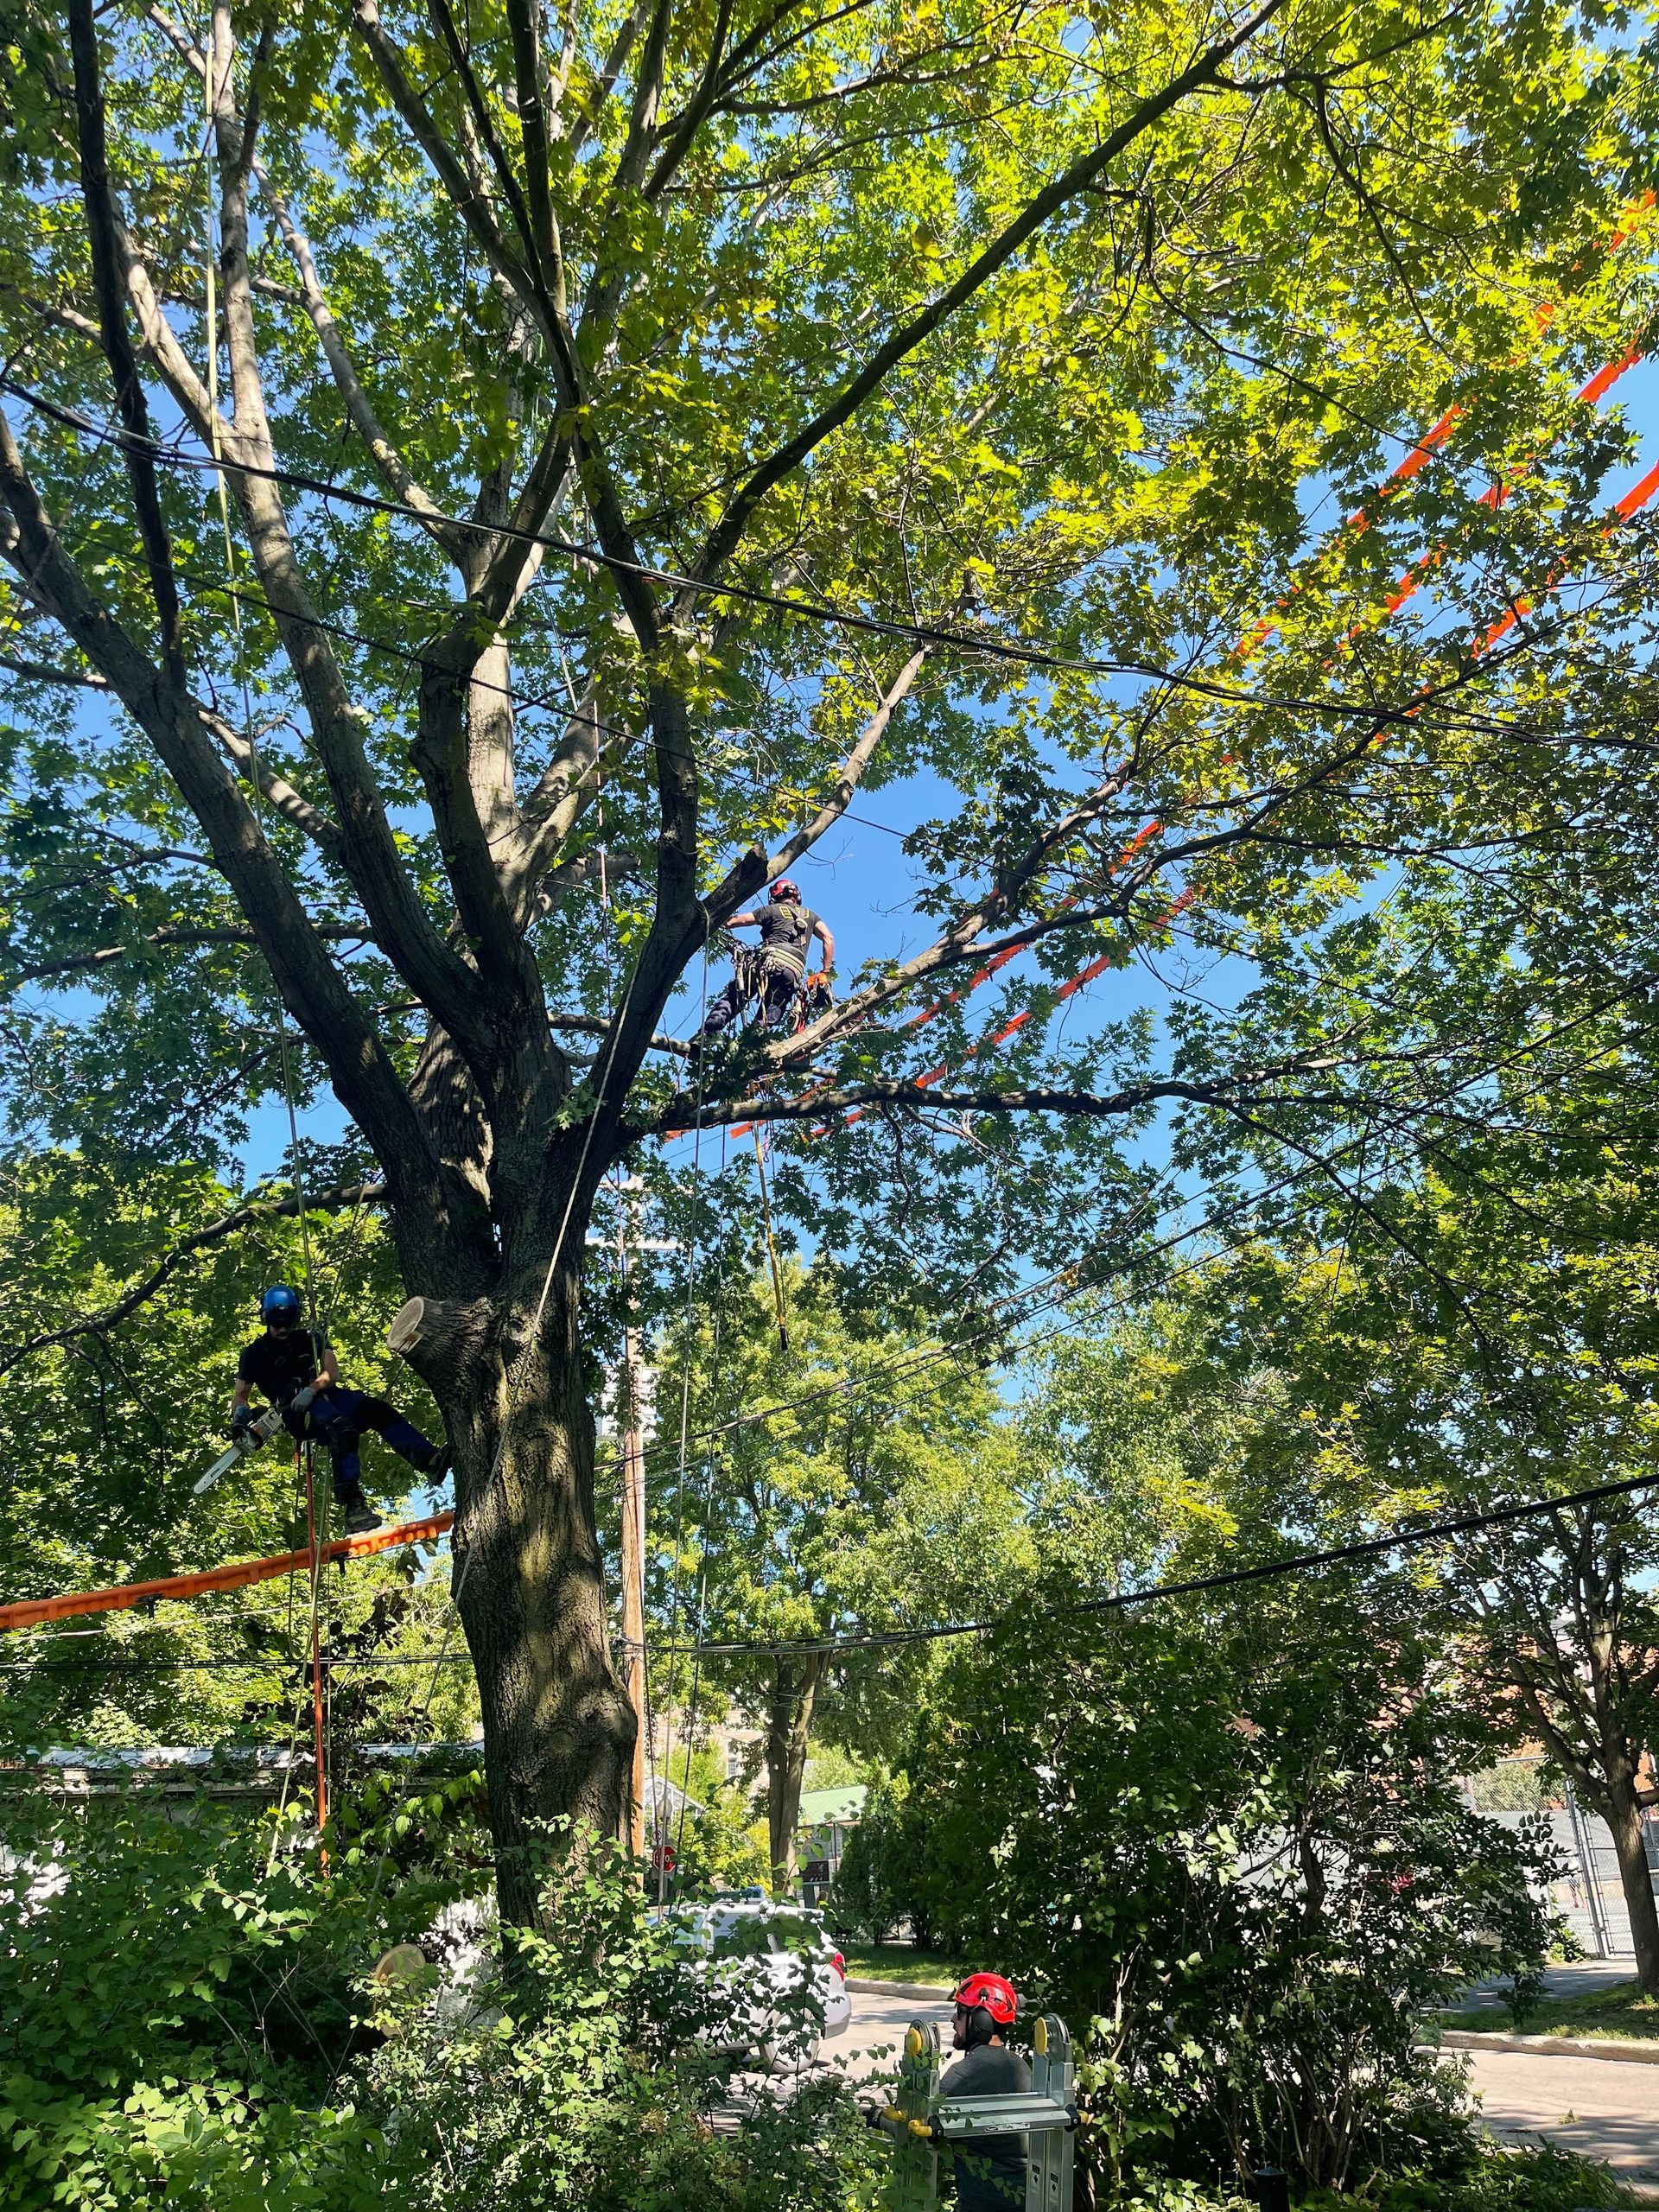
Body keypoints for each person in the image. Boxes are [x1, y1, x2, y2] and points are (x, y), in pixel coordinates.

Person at [229, 1285, 449, 1535]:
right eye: (276, 1322)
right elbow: (240, 1394)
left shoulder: (311, 1339)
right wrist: (240, 1413)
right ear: (267, 1319)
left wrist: (311, 1389)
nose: (282, 1328)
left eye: (288, 1321)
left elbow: (331, 1373)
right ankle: (353, 1507)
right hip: (297, 1413)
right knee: (341, 1428)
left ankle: (428, 1460)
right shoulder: (254, 1354)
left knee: (376, 1410)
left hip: (325, 1395)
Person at [697, 879, 834, 1043]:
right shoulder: (811, 916)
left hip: (767, 964)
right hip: (793, 973)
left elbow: (732, 922)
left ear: (776, 894)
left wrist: (713, 914)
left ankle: (706, 1034)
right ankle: (749, 1048)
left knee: (735, 999)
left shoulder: (770, 910)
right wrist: (825, 971)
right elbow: (828, 938)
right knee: (771, 1011)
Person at [939, 1973, 1030, 2210]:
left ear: (981, 2020)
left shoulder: (965, 2072)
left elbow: (919, 2124)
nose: (953, 2020)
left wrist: (877, 2118)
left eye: (960, 2012)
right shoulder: (1021, 2067)